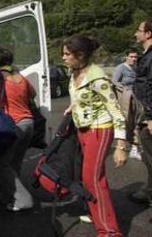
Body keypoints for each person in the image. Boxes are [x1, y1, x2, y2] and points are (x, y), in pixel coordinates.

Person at [62, 34, 128, 237]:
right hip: (83, 129)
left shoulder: (98, 78)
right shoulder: (74, 73)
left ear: (80, 55)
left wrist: (120, 147)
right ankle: (96, 213)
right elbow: (81, 96)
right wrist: (71, 108)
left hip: (99, 130)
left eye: (66, 54)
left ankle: (109, 231)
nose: (63, 58)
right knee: (91, 177)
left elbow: (116, 112)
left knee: (92, 179)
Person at [0, 47, 35, 212]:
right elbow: (32, 94)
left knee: (0, 163)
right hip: (29, 123)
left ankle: (23, 199)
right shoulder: (20, 77)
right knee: (15, 162)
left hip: (12, 125)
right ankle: (9, 195)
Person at [129, 18, 152, 207]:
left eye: (139, 30)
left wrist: (151, 117)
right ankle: (148, 191)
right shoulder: (145, 55)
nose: (136, 33)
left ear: (148, 34)